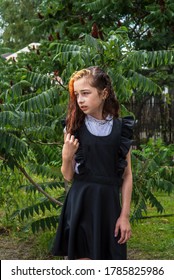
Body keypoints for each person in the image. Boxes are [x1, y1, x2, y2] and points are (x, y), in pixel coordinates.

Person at [52, 66, 134, 260]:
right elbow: (68, 175)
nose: (80, 99)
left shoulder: (121, 130)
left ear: (104, 93)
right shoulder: (74, 128)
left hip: (109, 208)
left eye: (86, 93)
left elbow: (128, 175)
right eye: (77, 94)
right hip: (80, 205)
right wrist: (67, 156)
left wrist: (125, 216)